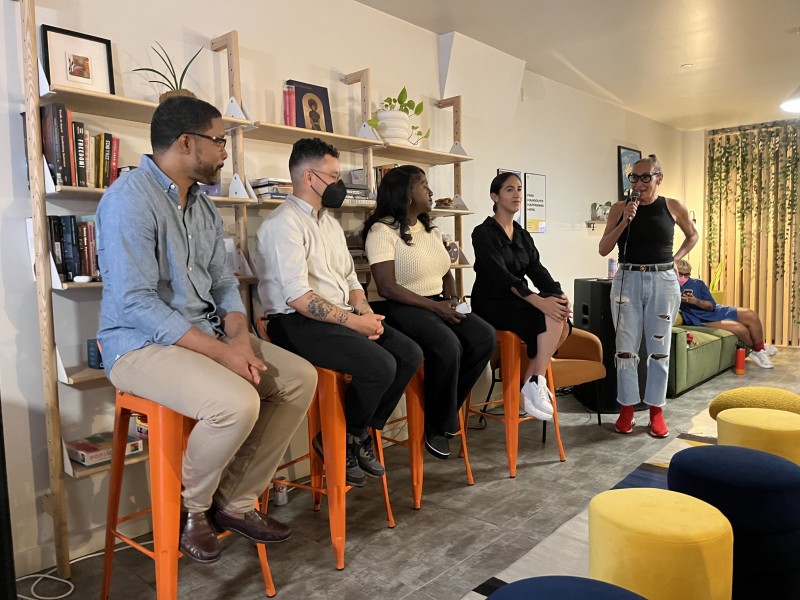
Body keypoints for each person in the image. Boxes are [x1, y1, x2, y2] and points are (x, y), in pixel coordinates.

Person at [96, 96, 317, 565]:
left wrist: (237, 338)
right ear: (185, 143)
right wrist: (222, 354)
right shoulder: (128, 200)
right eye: (219, 141)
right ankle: (190, 509)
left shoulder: (202, 206)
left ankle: (233, 501)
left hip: (205, 334)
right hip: (137, 345)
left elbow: (223, 283)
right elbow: (135, 303)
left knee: (300, 378)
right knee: (236, 403)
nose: (224, 152)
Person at [256, 137, 423, 487]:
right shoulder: (282, 224)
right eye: (332, 175)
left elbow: (349, 278)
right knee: (381, 365)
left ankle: (354, 435)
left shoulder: (330, 224)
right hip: (294, 322)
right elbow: (298, 297)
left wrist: (363, 310)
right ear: (308, 177)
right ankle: (345, 436)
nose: (339, 184)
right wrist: (356, 323)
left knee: (409, 354)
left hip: (341, 313)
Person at [362, 165, 496, 459]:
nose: (431, 191)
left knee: (484, 336)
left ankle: (441, 411)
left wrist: (450, 298)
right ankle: (438, 425)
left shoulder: (430, 228)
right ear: (406, 194)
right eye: (423, 185)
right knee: (447, 344)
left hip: (433, 301)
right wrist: (437, 308)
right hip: (395, 305)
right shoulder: (381, 230)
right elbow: (386, 287)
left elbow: (445, 270)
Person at [599, 154, 698, 438]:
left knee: (659, 349)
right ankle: (627, 410)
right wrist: (624, 221)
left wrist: (675, 259)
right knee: (625, 349)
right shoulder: (620, 208)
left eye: (646, 177)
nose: (639, 183)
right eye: (634, 177)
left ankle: (656, 411)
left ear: (658, 178)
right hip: (627, 279)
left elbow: (692, 235)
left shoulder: (672, 206)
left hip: (662, 280)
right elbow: (604, 248)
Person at [471, 172, 571, 422]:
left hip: (517, 300)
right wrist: (538, 300)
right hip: (491, 303)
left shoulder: (522, 235)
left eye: (519, 189)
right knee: (548, 314)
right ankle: (534, 382)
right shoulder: (483, 233)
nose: (517, 195)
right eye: (509, 190)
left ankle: (531, 382)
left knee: (563, 320)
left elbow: (537, 269)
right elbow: (500, 276)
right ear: (495, 196)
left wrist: (559, 294)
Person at [676, 259, 777, 368]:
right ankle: (758, 351)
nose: (683, 278)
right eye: (680, 274)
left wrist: (696, 301)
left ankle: (760, 348)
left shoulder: (697, 284)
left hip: (713, 311)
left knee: (750, 314)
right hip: (698, 319)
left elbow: (711, 305)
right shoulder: (669, 287)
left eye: (687, 275)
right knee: (739, 328)